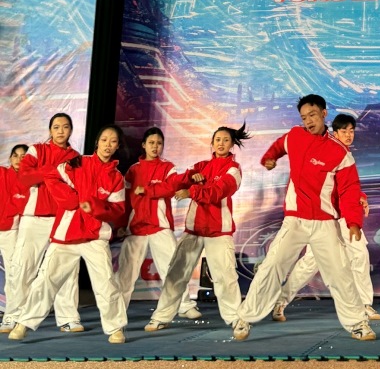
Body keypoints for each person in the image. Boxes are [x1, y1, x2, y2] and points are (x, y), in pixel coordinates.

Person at [232, 95, 375, 341]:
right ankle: (245, 318)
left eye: (313, 115)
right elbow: (280, 145)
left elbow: (349, 190)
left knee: (340, 273)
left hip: (325, 223)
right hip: (295, 220)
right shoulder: (295, 136)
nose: (308, 121)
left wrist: (353, 222)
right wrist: (270, 158)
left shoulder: (340, 153)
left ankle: (357, 324)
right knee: (272, 266)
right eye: (304, 117)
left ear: (324, 114)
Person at [8, 125, 129, 343]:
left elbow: (118, 211)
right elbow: (52, 177)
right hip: (66, 233)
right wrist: (71, 200)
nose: (107, 145)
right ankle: (23, 322)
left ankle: (116, 328)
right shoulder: (78, 162)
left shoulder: (116, 178)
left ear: (117, 146)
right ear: (97, 143)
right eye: (104, 140)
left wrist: (95, 208)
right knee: (46, 279)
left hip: (95, 236)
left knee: (105, 282)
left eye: (113, 141)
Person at [271, 114, 380, 322]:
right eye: (344, 131)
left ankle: (364, 304)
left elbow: (348, 186)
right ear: (334, 132)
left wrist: (360, 197)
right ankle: (281, 302)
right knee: (309, 264)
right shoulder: (321, 149)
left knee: (360, 255)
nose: (348, 135)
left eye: (351, 131)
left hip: (344, 217)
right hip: (323, 219)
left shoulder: (345, 154)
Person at [143, 124, 249, 332]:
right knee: (175, 274)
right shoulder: (200, 166)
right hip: (194, 230)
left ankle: (237, 320)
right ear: (212, 143)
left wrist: (192, 192)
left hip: (219, 232)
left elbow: (217, 192)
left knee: (225, 278)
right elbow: (178, 183)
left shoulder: (233, 170)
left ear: (232, 145)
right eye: (217, 140)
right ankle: (161, 317)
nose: (221, 143)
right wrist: (191, 178)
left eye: (225, 140)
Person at [2, 113, 83, 334]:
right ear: (50, 130)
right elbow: (24, 177)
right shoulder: (37, 150)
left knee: (67, 268)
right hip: (34, 218)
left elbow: (77, 185)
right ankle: (13, 316)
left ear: (70, 130)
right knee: (22, 268)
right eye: (56, 127)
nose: (60, 131)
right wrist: (51, 171)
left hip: (63, 218)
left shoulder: (75, 157)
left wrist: (47, 173)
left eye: (65, 127)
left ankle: (68, 318)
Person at [115, 127, 201, 319]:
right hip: (136, 228)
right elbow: (125, 201)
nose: (155, 147)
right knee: (126, 273)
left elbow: (170, 188)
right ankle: (117, 311)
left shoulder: (167, 167)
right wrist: (121, 224)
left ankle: (184, 305)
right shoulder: (133, 170)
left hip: (160, 226)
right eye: (151, 143)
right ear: (143, 145)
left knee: (172, 267)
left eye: (159, 143)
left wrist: (147, 189)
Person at [0, 145, 30, 324]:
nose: (19, 159)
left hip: (11, 231)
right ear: (10, 158)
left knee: (13, 272)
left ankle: (13, 312)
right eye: (15, 155)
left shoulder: (31, 181)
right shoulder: (2, 174)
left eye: (23, 156)